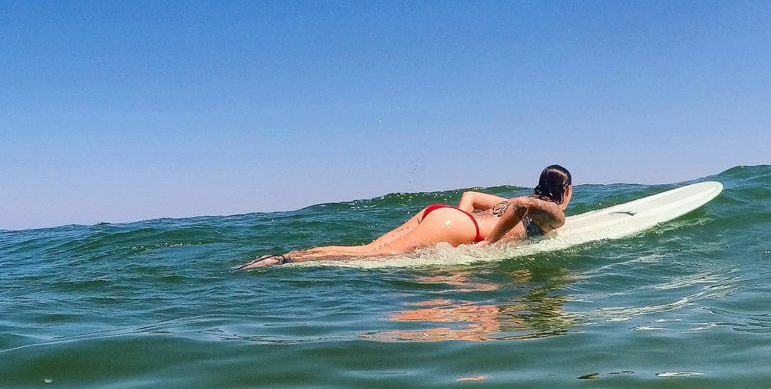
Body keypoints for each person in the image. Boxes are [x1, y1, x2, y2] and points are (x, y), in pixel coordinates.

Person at [238, 165, 573, 268]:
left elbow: (471, 196)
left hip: (443, 215)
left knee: (371, 249)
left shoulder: (502, 199)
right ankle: (285, 259)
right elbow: (521, 207)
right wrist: (488, 245)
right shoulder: (554, 213)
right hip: (461, 228)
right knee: (376, 256)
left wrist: (458, 218)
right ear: (565, 190)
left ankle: (288, 258)